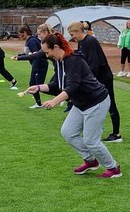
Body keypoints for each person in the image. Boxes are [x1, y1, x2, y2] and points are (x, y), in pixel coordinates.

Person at [33, 33, 121, 179]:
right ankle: (91, 160)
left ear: (56, 47)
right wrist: (38, 87)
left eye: (48, 52)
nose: (47, 56)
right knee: (67, 132)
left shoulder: (73, 60)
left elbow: (73, 87)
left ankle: (113, 168)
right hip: (81, 104)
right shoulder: (59, 62)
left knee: (91, 140)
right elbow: (57, 85)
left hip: (96, 102)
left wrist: (55, 101)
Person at [68, 20, 121, 142]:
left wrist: (88, 80)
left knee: (110, 103)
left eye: (72, 34)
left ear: (78, 31)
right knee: (95, 104)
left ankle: (117, 134)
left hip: (103, 77)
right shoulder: (82, 42)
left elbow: (94, 64)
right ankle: (96, 131)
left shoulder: (90, 41)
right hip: (95, 78)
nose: (72, 37)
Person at [14, 25, 48, 108]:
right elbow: (29, 54)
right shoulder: (29, 40)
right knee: (34, 84)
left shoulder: (32, 41)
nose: (19, 36)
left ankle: (66, 97)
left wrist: (35, 68)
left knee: (39, 86)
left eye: (20, 34)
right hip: (37, 65)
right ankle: (38, 103)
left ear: (25, 33)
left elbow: (36, 55)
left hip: (40, 65)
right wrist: (19, 56)